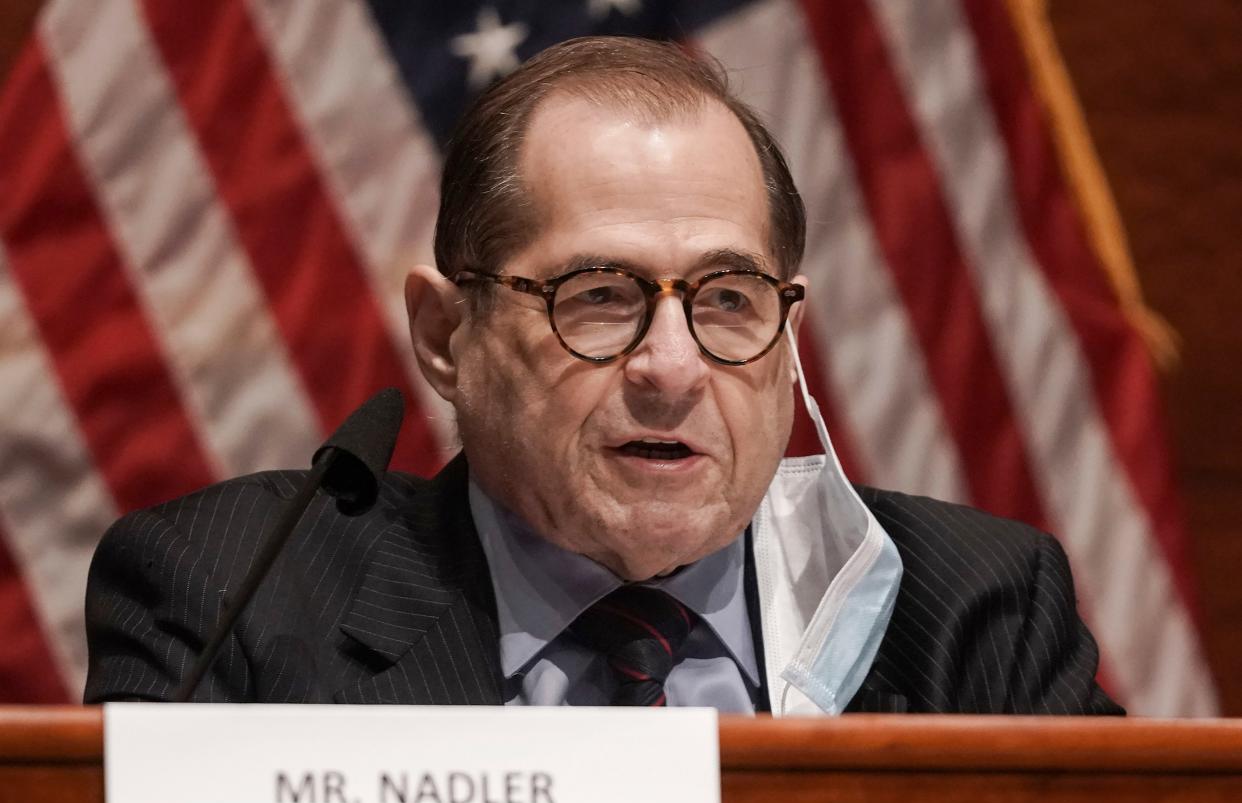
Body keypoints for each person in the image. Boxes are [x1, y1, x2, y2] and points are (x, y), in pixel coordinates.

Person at [84, 36, 1121, 715]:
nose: (671, 368)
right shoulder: (234, 597)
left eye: (727, 300)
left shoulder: (974, 612)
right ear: (447, 335)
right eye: (599, 296)